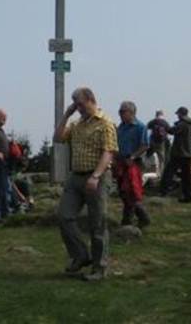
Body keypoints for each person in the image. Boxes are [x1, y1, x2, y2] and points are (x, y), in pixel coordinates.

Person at [54, 87, 117, 282]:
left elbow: (108, 152)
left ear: (91, 100)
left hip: (97, 176)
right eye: (76, 105)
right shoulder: (77, 124)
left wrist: (95, 176)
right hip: (76, 177)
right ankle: (81, 255)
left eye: (80, 104)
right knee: (64, 216)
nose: (78, 108)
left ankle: (99, 268)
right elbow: (58, 138)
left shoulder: (105, 123)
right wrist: (67, 114)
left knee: (97, 224)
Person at [115, 101, 151, 227]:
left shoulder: (140, 127)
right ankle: (127, 220)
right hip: (121, 162)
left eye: (122, 111)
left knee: (132, 191)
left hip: (134, 162)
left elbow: (145, 145)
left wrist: (133, 156)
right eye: (120, 111)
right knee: (123, 192)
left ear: (131, 112)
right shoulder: (121, 127)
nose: (120, 114)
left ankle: (143, 217)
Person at [159, 107, 191, 202]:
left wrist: (163, 123)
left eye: (178, 114)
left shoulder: (182, 124)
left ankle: (164, 192)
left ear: (181, 114)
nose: (177, 115)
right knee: (187, 177)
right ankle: (188, 197)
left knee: (168, 173)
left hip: (178, 153)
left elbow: (171, 131)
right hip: (189, 154)